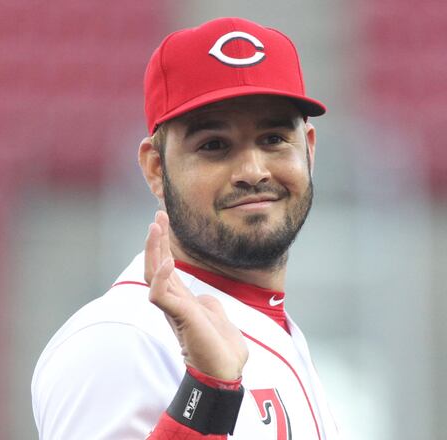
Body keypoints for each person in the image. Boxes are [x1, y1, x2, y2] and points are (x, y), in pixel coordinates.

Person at [32, 16, 340, 439]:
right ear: (156, 168)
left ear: (307, 149)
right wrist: (207, 394)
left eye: (272, 139)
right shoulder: (120, 339)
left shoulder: (278, 328)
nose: (252, 170)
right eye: (214, 145)